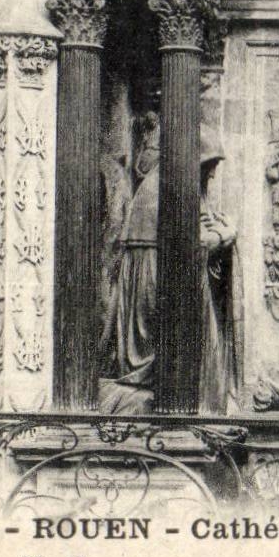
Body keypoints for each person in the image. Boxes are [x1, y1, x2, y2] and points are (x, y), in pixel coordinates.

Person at [99, 124, 239, 414]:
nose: (212, 173)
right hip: (156, 286)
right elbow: (193, 248)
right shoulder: (168, 186)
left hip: (157, 278)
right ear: (194, 159)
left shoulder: (165, 181)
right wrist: (227, 234)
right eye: (209, 164)